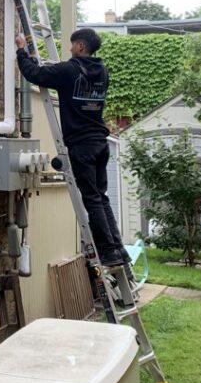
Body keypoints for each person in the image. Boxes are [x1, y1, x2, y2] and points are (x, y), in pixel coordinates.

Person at [15, 27, 129, 267]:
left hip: (82, 145)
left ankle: (108, 252)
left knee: (92, 199)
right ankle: (118, 249)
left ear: (80, 46)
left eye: (72, 44)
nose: (69, 48)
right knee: (101, 197)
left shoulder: (69, 70)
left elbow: (34, 74)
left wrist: (21, 50)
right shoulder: (102, 72)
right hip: (100, 144)